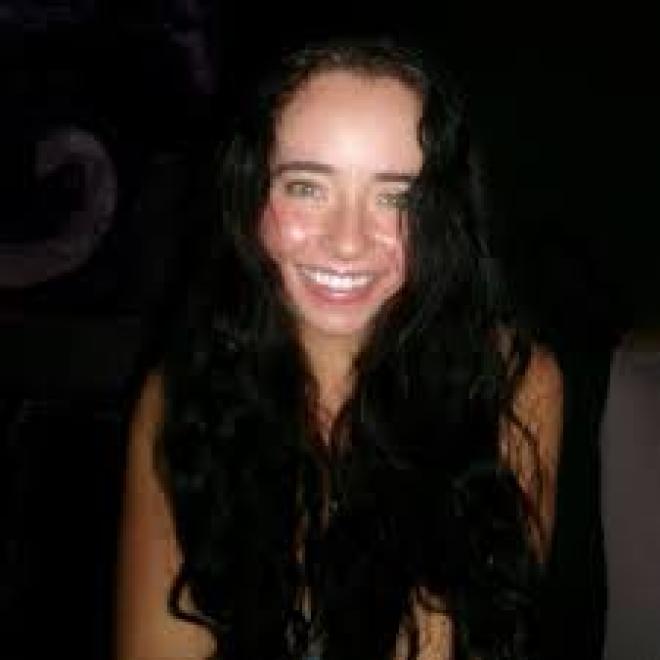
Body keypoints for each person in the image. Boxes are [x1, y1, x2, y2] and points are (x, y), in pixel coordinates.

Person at [114, 37, 563, 660]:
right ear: (250, 195)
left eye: (396, 197)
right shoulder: (183, 394)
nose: (348, 241)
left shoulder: (510, 383)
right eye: (306, 187)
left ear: (442, 215)